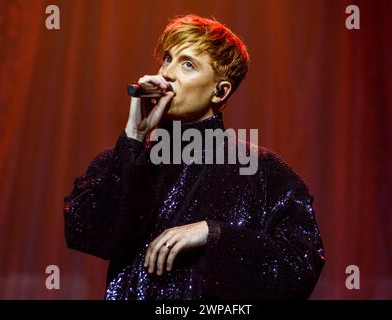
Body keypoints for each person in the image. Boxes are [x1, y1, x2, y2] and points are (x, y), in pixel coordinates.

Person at [64, 14, 324, 300]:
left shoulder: (263, 172)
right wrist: (134, 137)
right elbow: (87, 234)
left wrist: (213, 234)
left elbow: (302, 266)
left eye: (187, 64)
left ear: (220, 90)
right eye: (167, 59)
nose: (167, 73)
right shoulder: (123, 159)